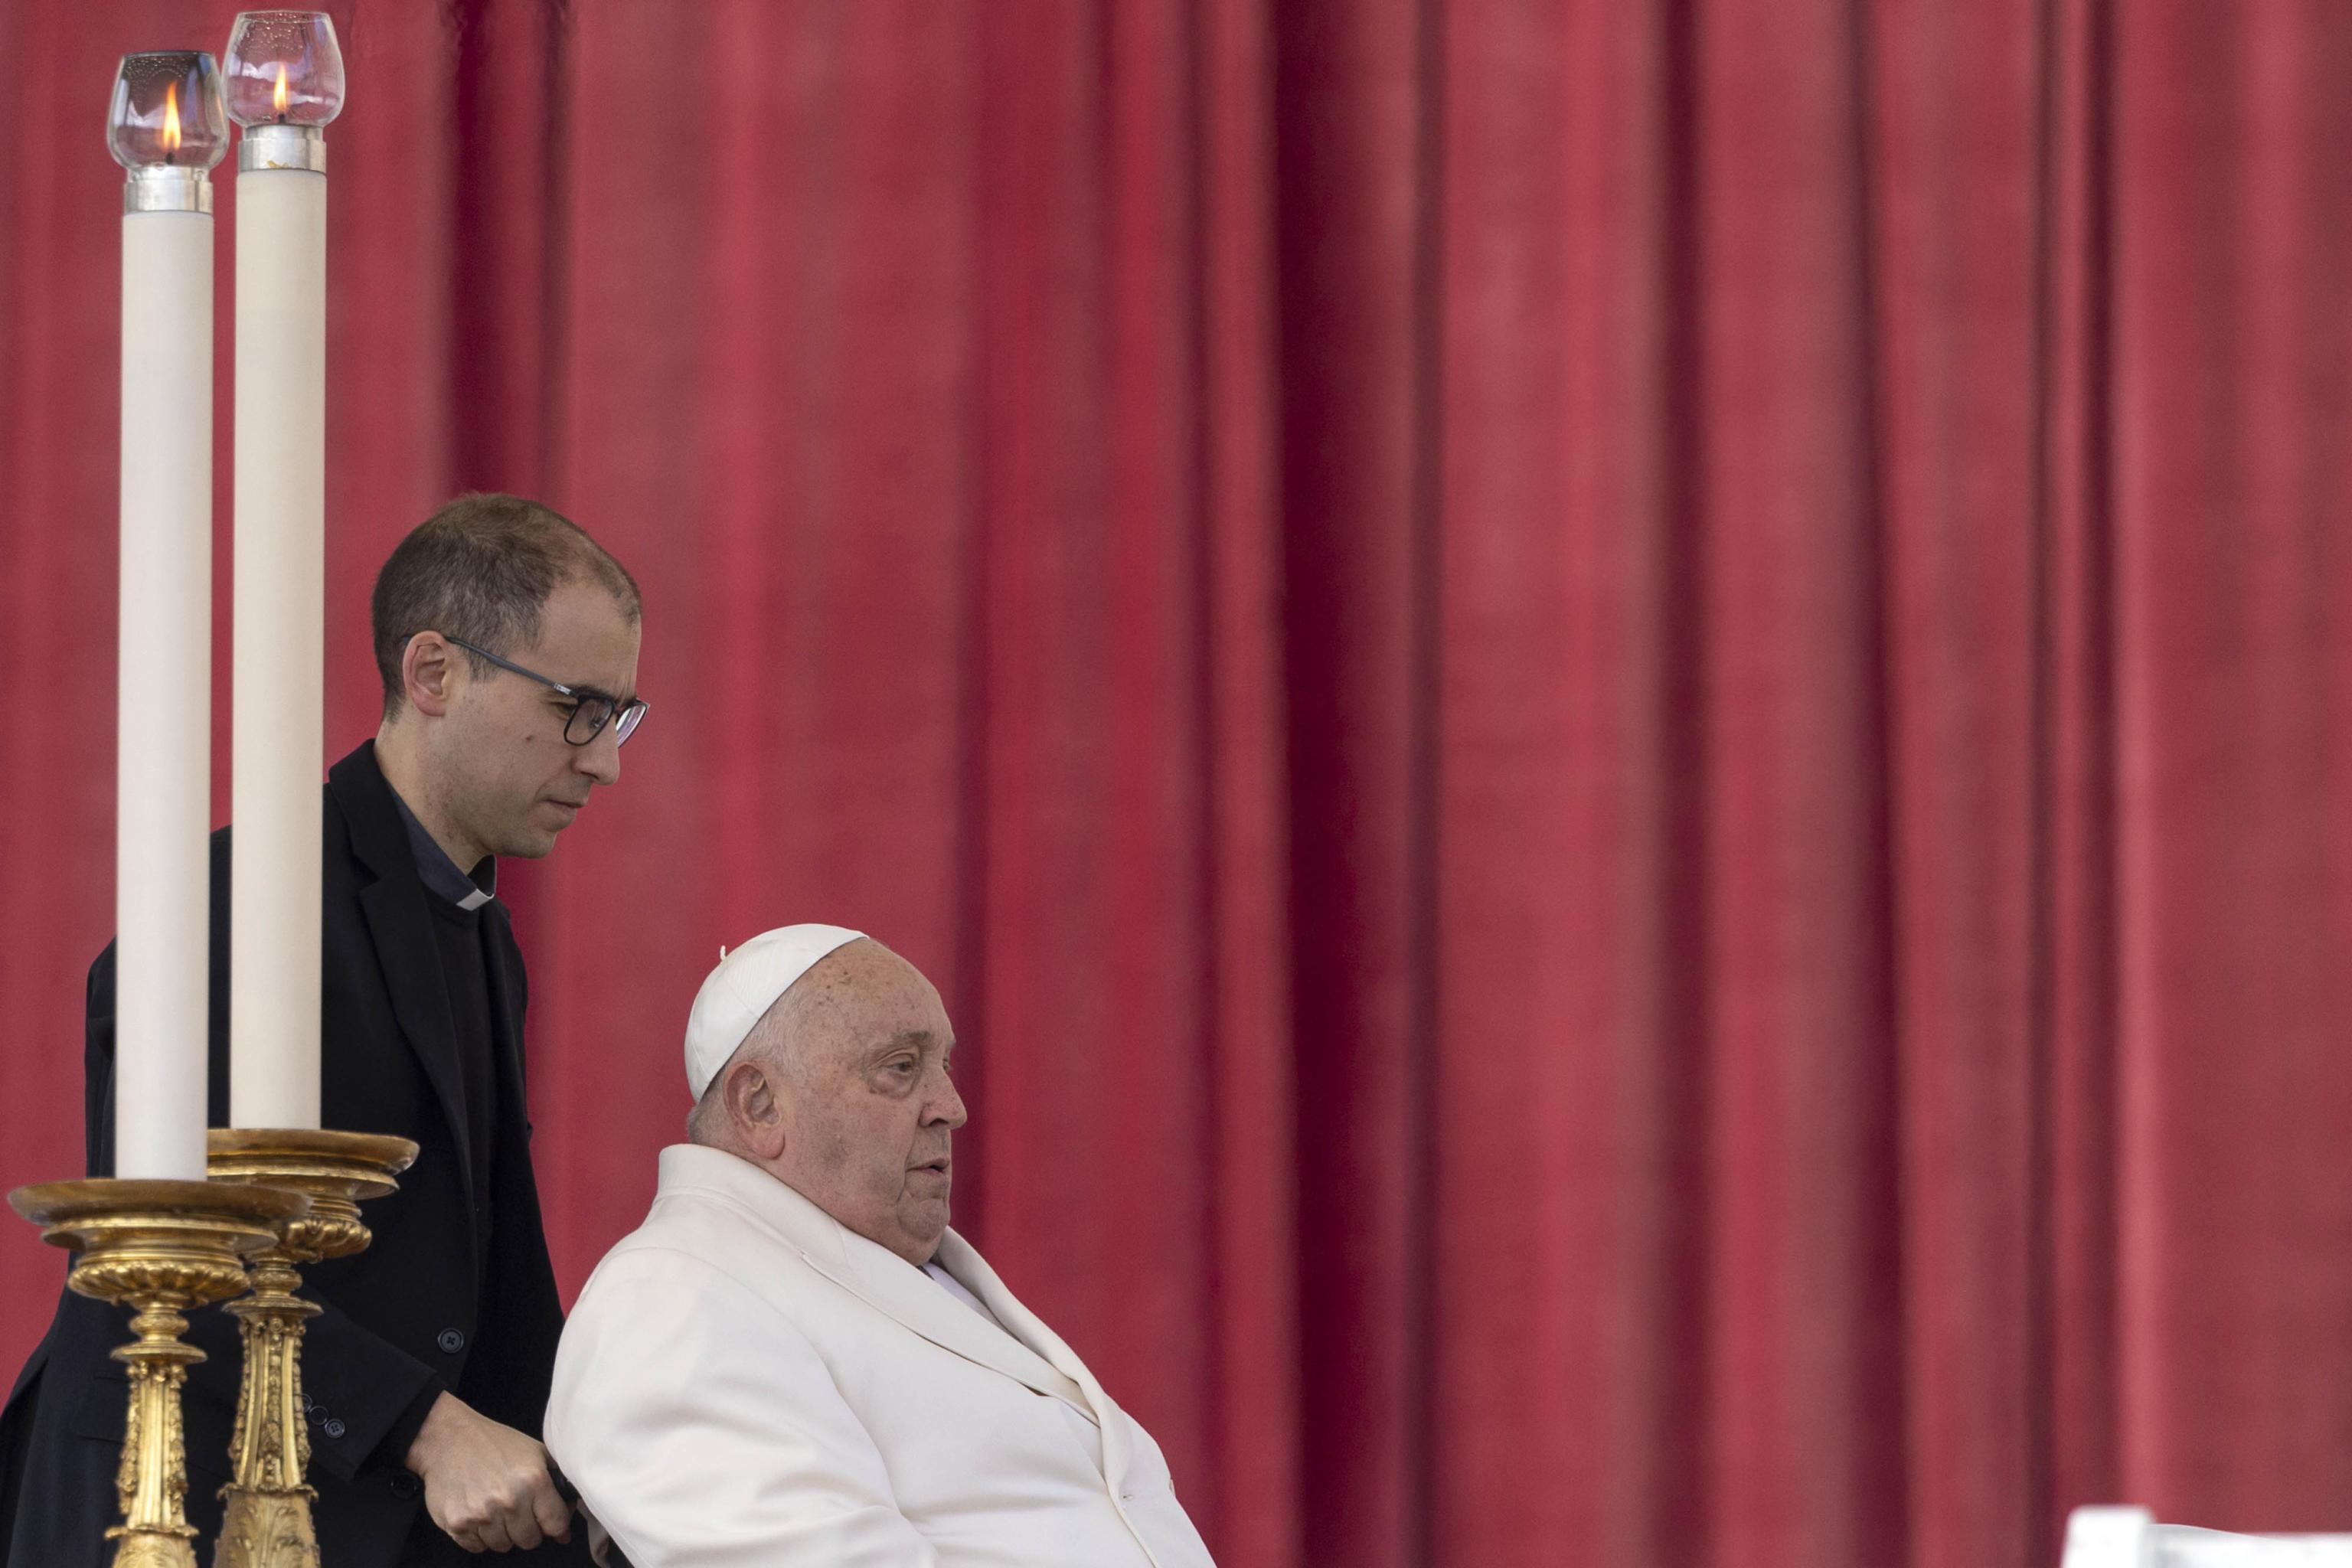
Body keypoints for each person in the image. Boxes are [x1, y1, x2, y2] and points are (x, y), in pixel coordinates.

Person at [0, 494, 647, 1566]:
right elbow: (173, 1247)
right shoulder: (239, 900)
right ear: (433, 673)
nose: (604, 760)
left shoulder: (479, 926)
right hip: (170, 1501)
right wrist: (431, 1430)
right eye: (579, 706)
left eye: (620, 715)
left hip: (349, 1491)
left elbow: (480, 1272)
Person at [543, 925, 1217, 1568]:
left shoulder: (868, 1258)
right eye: (900, 1067)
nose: (950, 1105)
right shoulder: (670, 1300)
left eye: (943, 1065)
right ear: (760, 1105)